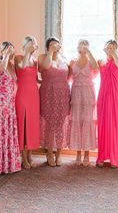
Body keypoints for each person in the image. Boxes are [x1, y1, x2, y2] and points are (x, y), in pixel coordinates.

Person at [0, 41, 21, 174]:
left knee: (8, 130)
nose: (11, 52)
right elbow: (0, 71)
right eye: (8, 50)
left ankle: (10, 163)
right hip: (1, 101)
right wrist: (5, 56)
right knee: (1, 131)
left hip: (10, 101)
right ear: (2, 51)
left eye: (12, 49)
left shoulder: (12, 65)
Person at [38, 37, 70, 167]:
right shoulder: (42, 57)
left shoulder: (64, 58)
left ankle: (59, 154)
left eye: (56, 44)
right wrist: (50, 52)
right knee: (49, 123)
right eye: (51, 45)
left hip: (63, 93)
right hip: (48, 93)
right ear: (47, 47)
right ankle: (49, 153)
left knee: (61, 123)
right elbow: (44, 67)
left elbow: (69, 75)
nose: (54, 46)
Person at [69, 39, 98, 166]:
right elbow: (68, 77)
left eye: (85, 46)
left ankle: (87, 153)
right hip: (75, 93)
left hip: (88, 93)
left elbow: (96, 67)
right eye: (80, 45)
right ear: (77, 47)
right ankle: (78, 153)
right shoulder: (72, 61)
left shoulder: (91, 60)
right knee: (77, 121)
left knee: (87, 121)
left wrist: (89, 52)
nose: (82, 48)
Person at [96, 40, 118, 168]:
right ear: (104, 49)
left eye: (113, 47)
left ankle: (114, 158)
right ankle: (101, 156)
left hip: (115, 96)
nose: (110, 49)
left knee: (115, 125)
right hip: (103, 95)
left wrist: (114, 55)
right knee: (103, 125)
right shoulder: (101, 61)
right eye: (108, 47)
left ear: (116, 49)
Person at [15, 36, 40, 169]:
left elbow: (36, 78)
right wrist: (27, 53)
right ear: (25, 45)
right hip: (23, 95)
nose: (34, 46)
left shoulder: (35, 61)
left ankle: (30, 154)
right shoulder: (18, 57)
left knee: (31, 124)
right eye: (31, 44)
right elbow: (22, 66)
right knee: (23, 124)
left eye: (35, 44)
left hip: (34, 95)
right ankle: (23, 157)